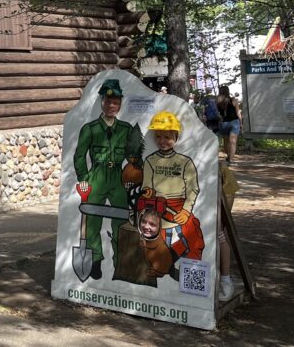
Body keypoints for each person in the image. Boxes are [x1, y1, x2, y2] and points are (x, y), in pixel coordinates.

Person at [73, 78, 143, 280]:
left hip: (118, 179)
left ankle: (120, 260)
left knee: (121, 219)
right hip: (96, 175)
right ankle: (95, 261)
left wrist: (134, 174)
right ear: (102, 102)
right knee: (92, 220)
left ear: (120, 105)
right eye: (108, 102)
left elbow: (134, 156)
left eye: (116, 103)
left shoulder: (126, 129)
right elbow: (79, 156)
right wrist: (84, 178)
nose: (112, 106)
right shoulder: (90, 128)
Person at [141, 111, 204, 275]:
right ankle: (159, 268)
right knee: (156, 241)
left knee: (195, 235)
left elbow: (193, 188)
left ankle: (191, 273)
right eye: (159, 136)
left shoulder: (184, 162)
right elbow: (146, 186)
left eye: (167, 137)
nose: (162, 141)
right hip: (158, 208)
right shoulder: (150, 161)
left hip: (180, 207)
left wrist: (186, 210)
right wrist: (147, 193)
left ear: (176, 138)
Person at [218, 160, 240, 300]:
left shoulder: (222, 170)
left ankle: (225, 279)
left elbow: (228, 194)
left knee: (218, 233)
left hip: (220, 191)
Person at [217, 86, 242, 163]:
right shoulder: (233, 100)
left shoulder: (217, 101)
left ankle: (228, 156)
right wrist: (241, 122)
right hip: (234, 122)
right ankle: (230, 159)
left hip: (223, 123)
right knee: (233, 142)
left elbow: (217, 113)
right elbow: (238, 112)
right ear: (228, 91)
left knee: (226, 141)